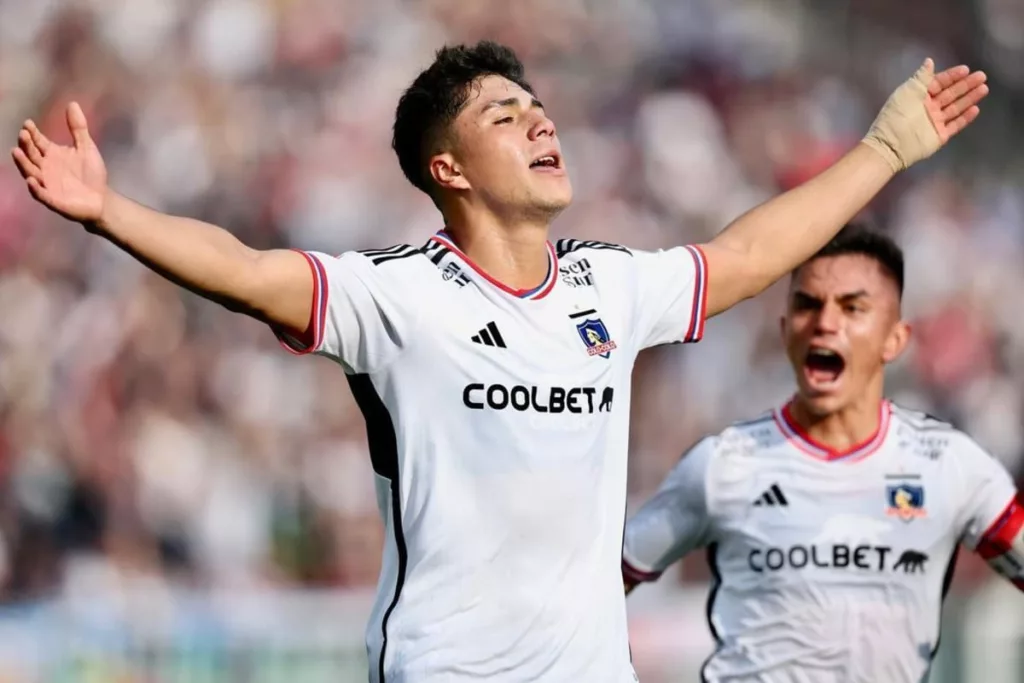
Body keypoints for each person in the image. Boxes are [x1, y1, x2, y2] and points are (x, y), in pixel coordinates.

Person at [11, 40, 988, 683]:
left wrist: (883, 147)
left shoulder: (607, 286)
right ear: (449, 168)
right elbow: (244, 270)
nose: (542, 124)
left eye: (539, 107)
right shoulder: (397, 296)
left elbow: (745, 255)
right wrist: (110, 212)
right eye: (505, 116)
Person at [621, 226, 1024, 683]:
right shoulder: (723, 465)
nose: (825, 323)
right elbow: (598, 594)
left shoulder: (950, 465)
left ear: (895, 339)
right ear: (784, 330)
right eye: (807, 305)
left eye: (853, 308)